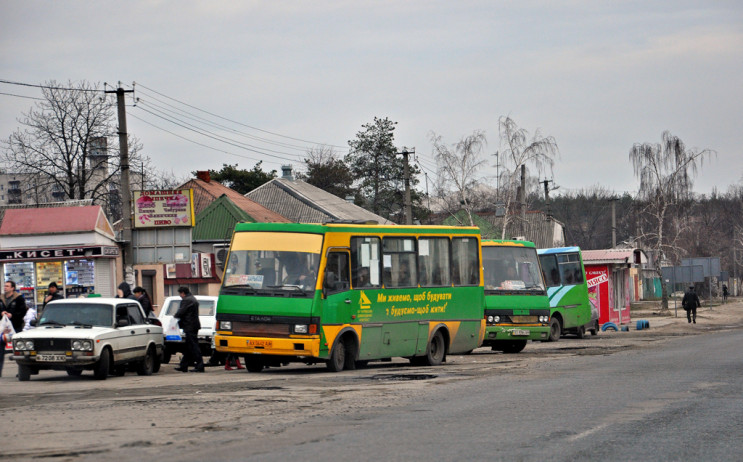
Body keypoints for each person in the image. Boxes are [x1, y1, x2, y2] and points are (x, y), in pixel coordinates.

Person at [174, 286, 204, 373]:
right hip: (193, 325)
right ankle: (184, 365)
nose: (180, 296)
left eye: (180, 294)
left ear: (183, 293)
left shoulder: (187, 300)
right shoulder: (193, 298)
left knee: (194, 346)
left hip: (189, 326)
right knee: (189, 346)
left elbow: (181, 312)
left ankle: (200, 365)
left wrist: (174, 317)